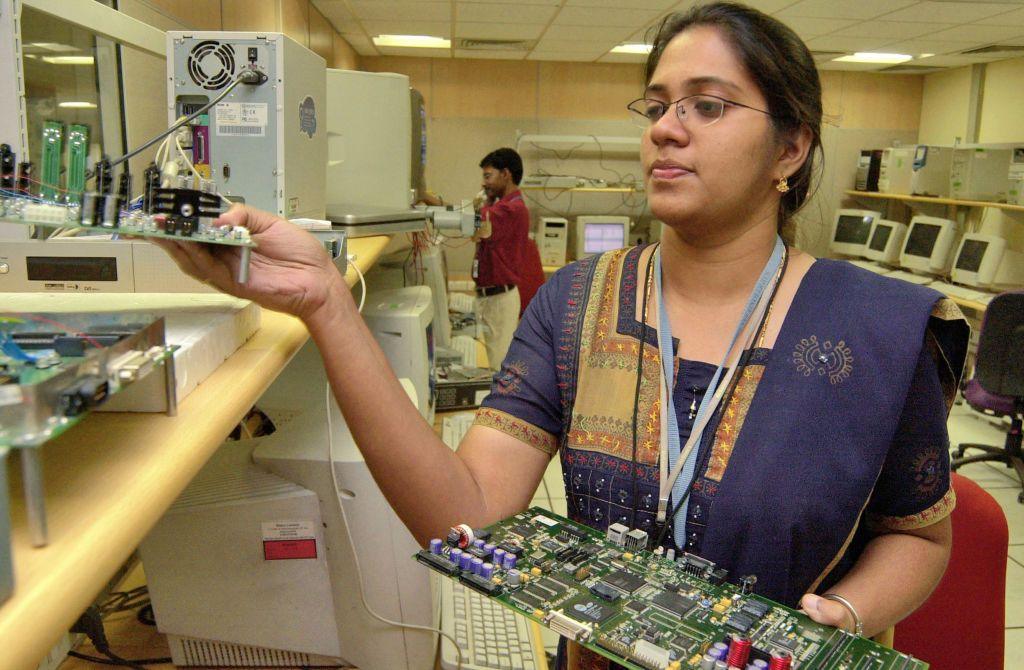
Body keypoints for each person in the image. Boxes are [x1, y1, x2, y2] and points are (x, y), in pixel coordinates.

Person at [154, 3, 967, 668]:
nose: (665, 129)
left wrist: (849, 613)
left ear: (790, 148)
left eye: (707, 105)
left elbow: (920, 535)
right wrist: (328, 303)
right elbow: (462, 514)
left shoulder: (880, 328)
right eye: (657, 105)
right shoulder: (577, 303)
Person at [473, 147, 530, 370]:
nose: (484, 183)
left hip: (499, 300)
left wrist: (428, 199)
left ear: (505, 174)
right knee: (492, 362)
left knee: (499, 367)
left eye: (488, 176)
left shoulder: (511, 209)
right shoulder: (500, 207)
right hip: (491, 296)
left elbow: (473, 223)